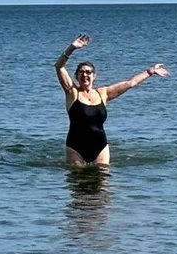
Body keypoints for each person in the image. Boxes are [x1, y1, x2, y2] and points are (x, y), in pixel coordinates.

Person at [54, 34, 169, 165]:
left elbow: (130, 83)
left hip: (100, 146)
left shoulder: (103, 93)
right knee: (77, 177)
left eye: (88, 72)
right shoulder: (72, 92)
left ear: (94, 76)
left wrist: (150, 72)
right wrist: (72, 48)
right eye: (81, 72)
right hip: (75, 147)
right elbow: (59, 67)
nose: (85, 75)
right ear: (76, 76)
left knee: (103, 176)